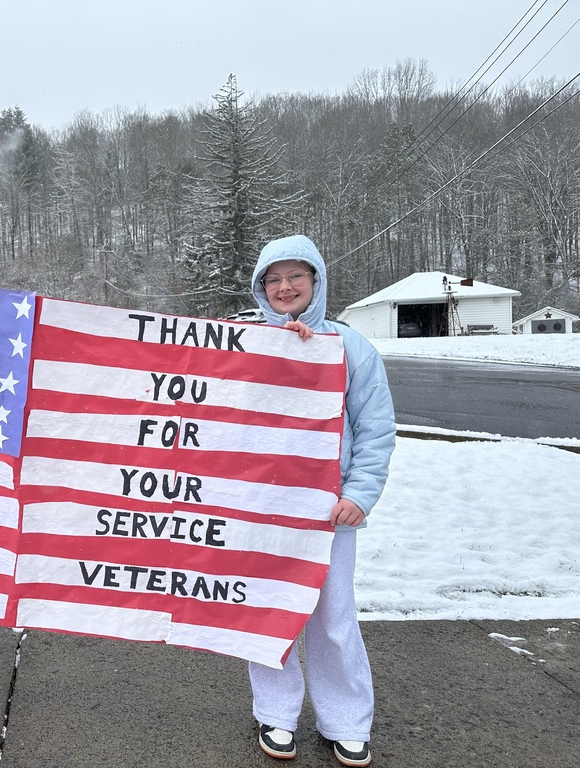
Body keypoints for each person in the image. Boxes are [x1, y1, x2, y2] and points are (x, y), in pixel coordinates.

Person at [247, 235, 395, 768]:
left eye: (296, 277)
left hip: (330, 513)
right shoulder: (245, 342)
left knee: (334, 619)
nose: (285, 287)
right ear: (262, 287)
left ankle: (346, 722)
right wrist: (282, 353)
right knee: (268, 614)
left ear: (316, 281)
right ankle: (276, 714)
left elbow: (376, 429)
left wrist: (359, 493)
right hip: (263, 510)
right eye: (274, 279)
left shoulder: (351, 348)